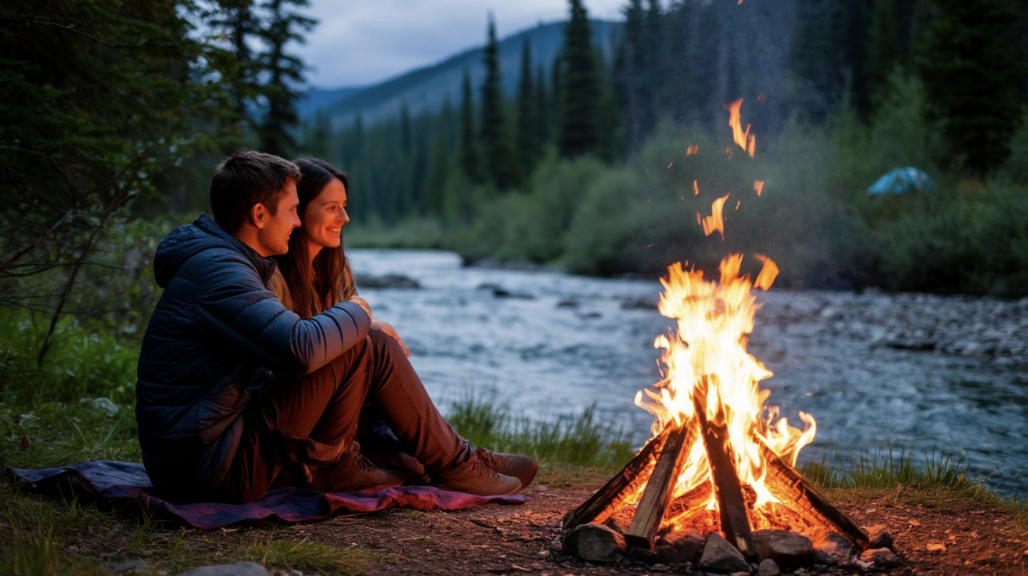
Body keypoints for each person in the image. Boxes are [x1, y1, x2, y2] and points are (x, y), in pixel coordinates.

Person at [136, 151, 535, 504]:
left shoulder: (225, 264)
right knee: (369, 342)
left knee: (365, 343)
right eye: (292, 210)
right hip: (211, 471)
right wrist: (358, 310)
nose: (294, 222)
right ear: (260, 215)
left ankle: (436, 460)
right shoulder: (220, 272)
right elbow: (296, 348)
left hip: (211, 453)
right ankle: (453, 464)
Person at [266, 157, 537, 489]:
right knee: (376, 345)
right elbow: (293, 356)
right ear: (299, 210)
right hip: (301, 416)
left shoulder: (335, 268)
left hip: (346, 413)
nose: (344, 218)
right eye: (332, 207)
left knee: (411, 465)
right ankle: (460, 464)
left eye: (345, 206)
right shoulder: (272, 276)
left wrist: (368, 323)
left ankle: (460, 457)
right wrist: (364, 326)